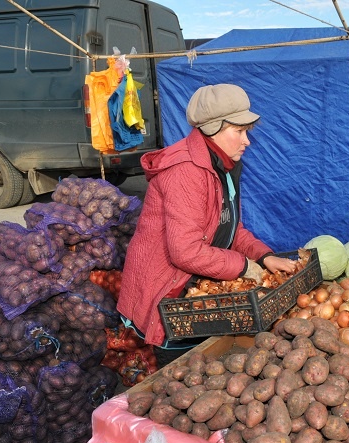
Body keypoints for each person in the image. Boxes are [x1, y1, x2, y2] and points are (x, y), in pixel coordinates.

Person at [118, 83, 298, 366]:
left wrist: (264, 256)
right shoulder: (186, 170)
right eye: (239, 131)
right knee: (183, 379)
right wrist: (243, 266)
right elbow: (185, 251)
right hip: (167, 294)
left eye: (246, 132)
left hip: (195, 285)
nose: (246, 141)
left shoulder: (223, 166)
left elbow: (229, 227)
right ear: (213, 128)